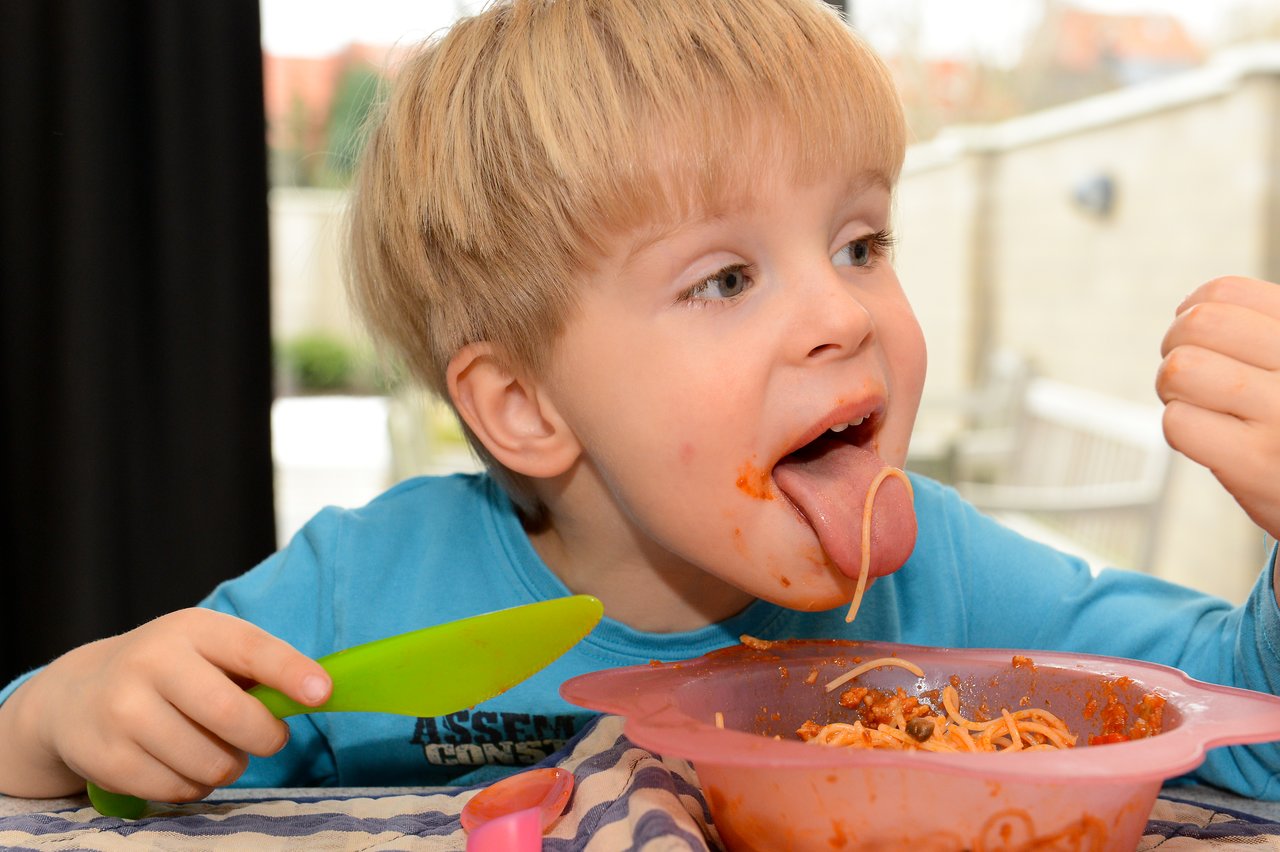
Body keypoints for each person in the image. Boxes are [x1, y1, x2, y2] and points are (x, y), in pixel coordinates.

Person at [2, 0, 1279, 805]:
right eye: (724, 277)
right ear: (523, 406)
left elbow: (1246, 733)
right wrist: (62, 720)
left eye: (858, 243)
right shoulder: (357, 594)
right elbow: (49, 765)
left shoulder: (933, 581)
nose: (843, 316)